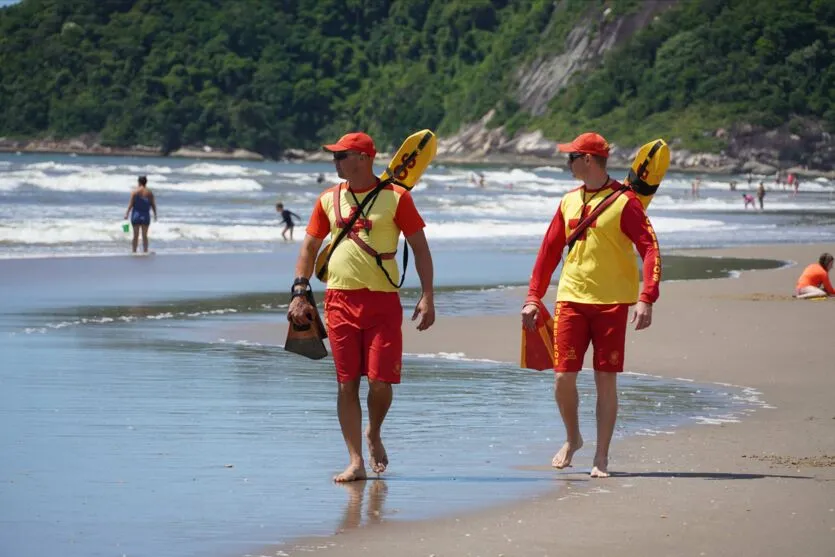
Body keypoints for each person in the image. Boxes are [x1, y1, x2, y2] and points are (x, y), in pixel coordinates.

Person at [287, 132, 436, 482]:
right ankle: (355, 460)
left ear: (365, 158)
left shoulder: (397, 198)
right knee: (346, 383)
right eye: (335, 155)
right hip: (338, 301)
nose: (335, 160)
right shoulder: (328, 199)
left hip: (382, 302)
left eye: (343, 155)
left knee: (381, 383)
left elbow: (420, 249)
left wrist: (428, 295)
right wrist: (299, 291)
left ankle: (374, 431)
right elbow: (309, 248)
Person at [521, 132, 660, 478]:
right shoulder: (568, 201)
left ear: (587, 160)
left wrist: (647, 297)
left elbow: (650, 249)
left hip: (612, 303)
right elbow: (548, 252)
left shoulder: (626, 202)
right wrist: (533, 297)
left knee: (605, 382)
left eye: (571, 158)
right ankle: (573, 439)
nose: (567, 163)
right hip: (571, 299)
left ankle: (601, 457)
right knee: (562, 379)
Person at [123, 176, 157, 253]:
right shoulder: (149, 192)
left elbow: (131, 204)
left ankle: (134, 251)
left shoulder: (135, 192)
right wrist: (155, 215)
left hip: (136, 215)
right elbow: (153, 205)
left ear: (138, 182)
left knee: (135, 236)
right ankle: (145, 251)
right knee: (145, 236)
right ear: (146, 182)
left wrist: (127, 214)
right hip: (145, 216)